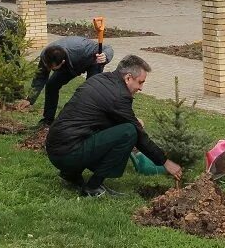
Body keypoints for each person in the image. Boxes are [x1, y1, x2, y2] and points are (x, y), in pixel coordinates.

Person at [45, 54, 182, 197]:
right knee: (129, 132)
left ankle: (70, 174)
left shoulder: (101, 79)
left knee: (125, 126)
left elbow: (103, 117)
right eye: (140, 82)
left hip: (56, 147)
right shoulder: (119, 96)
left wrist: (133, 120)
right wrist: (165, 162)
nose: (141, 88)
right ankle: (92, 187)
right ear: (128, 78)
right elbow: (138, 135)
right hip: (67, 153)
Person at [26, 36, 115, 125]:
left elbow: (107, 48)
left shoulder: (81, 48)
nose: (48, 70)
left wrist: (105, 56)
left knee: (89, 91)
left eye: (52, 68)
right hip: (71, 65)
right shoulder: (46, 56)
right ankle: (48, 120)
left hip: (92, 61)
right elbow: (40, 77)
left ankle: (88, 121)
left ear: (62, 62)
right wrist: (29, 99)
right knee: (51, 85)